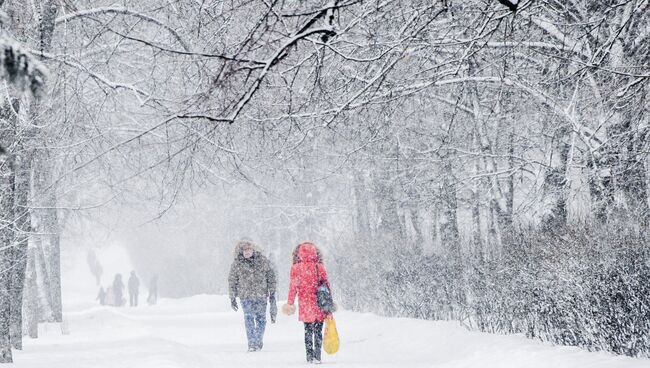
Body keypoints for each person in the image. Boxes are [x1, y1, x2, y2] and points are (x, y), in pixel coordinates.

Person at [283, 242, 332, 364]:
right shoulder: (319, 267)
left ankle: (309, 356)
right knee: (318, 331)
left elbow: (293, 287)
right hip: (319, 303)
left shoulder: (296, 268)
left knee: (308, 331)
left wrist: (290, 302)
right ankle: (318, 356)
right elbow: (326, 285)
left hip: (305, 304)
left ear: (299, 253)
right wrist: (329, 302)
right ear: (315, 253)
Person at [228, 239, 277, 352]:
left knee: (261, 319)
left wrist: (272, 292)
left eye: (249, 249)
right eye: (244, 249)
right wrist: (232, 297)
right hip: (245, 296)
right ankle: (252, 343)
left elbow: (271, 277)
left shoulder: (263, 261)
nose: (247, 252)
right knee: (249, 319)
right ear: (241, 251)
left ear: (253, 249)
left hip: (261, 295)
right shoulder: (237, 264)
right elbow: (232, 280)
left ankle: (258, 340)